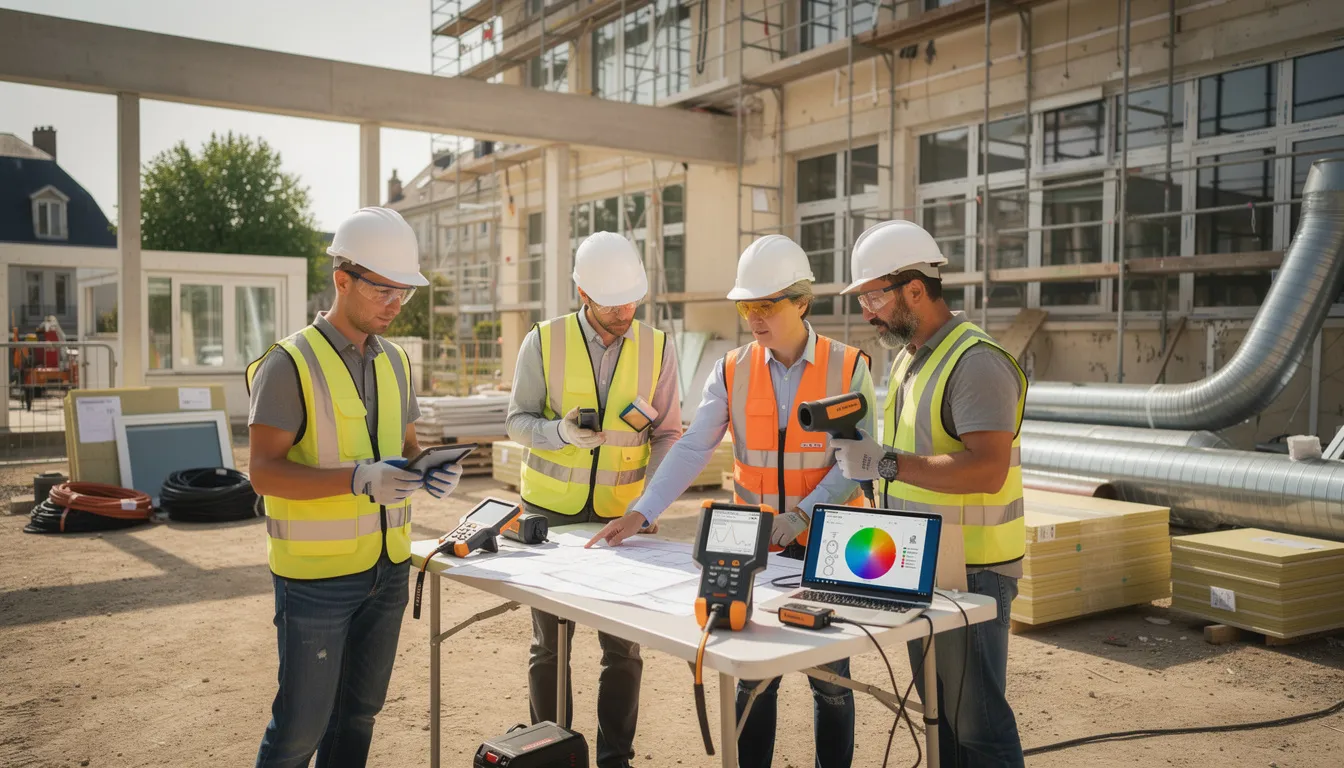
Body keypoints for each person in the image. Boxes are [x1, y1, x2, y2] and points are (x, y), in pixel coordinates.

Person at [588, 234, 875, 768]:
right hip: (753, 545)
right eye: (747, 306)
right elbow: (695, 445)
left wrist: (801, 516)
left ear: (802, 302)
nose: (755, 318)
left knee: (831, 682)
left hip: (828, 545)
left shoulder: (848, 366)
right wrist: (643, 510)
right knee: (752, 674)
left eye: (767, 305)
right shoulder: (732, 368)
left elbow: (855, 462)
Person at [246, 206, 462, 768]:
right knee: (300, 727)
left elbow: (407, 444)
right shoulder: (289, 363)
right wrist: (358, 479)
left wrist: (429, 466)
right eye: (384, 291)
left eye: (404, 293)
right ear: (343, 280)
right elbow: (263, 472)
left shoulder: (394, 361)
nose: (395, 304)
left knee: (359, 716)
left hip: (388, 570)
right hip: (315, 579)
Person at [830, 219, 1027, 768]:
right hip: (923, 564)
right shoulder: (911, 356)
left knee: (978, 724)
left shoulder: (976, 362)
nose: (867, 311)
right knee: (942, 717)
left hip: (974, 571)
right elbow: (914, 456)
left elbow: (987, 470)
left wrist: (888, 461)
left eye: (873, 296)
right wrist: (872, 466)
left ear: (916, 288)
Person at [506, 231, 683, 768]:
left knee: (623, 647)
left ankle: (614, 759)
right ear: (583, 293)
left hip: (619, 519)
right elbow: (517, 421)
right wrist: (558, 433)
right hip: (550, 516)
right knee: (550, 646)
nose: (625, 311)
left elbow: (670, 434)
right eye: (612, 303)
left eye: (633, 299)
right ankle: (552, 753)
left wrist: (648, 503)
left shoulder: (657, 346)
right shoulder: (543, 340)